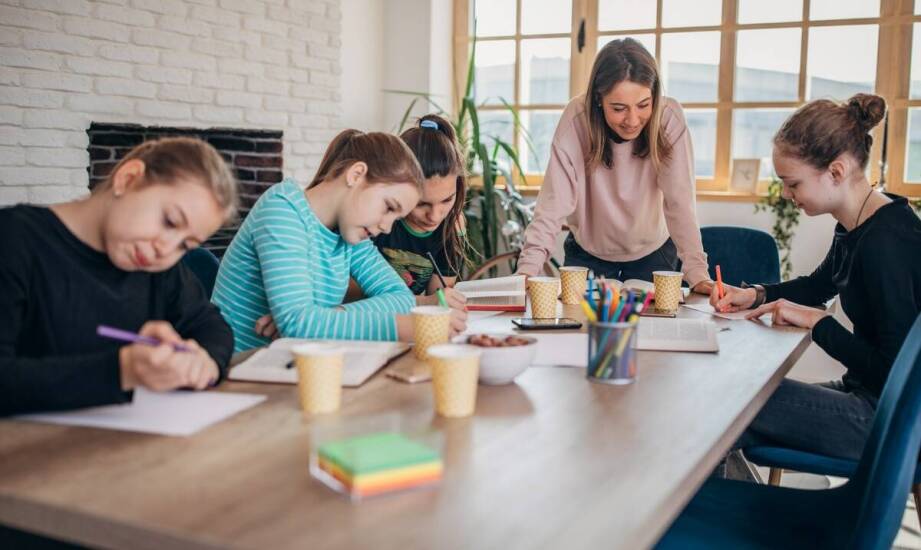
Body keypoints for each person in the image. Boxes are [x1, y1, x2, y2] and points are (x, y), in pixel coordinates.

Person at [713, 93, 921, 468]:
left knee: (733, 404)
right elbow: (818, 285)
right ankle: (721, 514)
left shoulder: (887, 243)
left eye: (792, 184)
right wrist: (757, 295)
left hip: (891, 420)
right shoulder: (859, 222)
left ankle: (709, 518)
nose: (788, 195)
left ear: (836, 172)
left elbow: (893, 370)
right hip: (866, 397)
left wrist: (818, 323)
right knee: (734, 405)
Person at [0, 137, 239, 415]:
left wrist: (204, 363)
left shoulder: (156, 267)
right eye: (170, 221)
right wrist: (122, 371)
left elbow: (212, 327)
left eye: (185, 245)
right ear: (127, 179)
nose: (166, 249)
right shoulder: (14, 240)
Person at [213, 129, 466, 353]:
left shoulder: (349, 234)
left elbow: (401, 296)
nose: (386, 226)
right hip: (240, 373)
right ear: (356, 175)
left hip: (298, 368)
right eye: (388, 207)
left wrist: (327, 318)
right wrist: (401, 325)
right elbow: (298, 324)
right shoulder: (283, 210)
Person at [516, 38, 713, 293]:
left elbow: (680, 201)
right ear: (599, 99)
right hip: (587, 255)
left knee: (652, 329)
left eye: (643, 105)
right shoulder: (577, 120)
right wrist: (527, 270)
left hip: (654, 253)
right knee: (581, 328)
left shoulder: (668, 118)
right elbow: (553, 204)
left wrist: (698, 274)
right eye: (619, 108)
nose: (632, 120)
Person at [369, 114, 468, 310]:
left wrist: (441, 301)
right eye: (421, 204)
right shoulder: (372, 219)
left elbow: (439, 302)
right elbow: (355, 298)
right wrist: (426, 302)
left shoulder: (452, 225)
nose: (435, 216)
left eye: (447, 200)